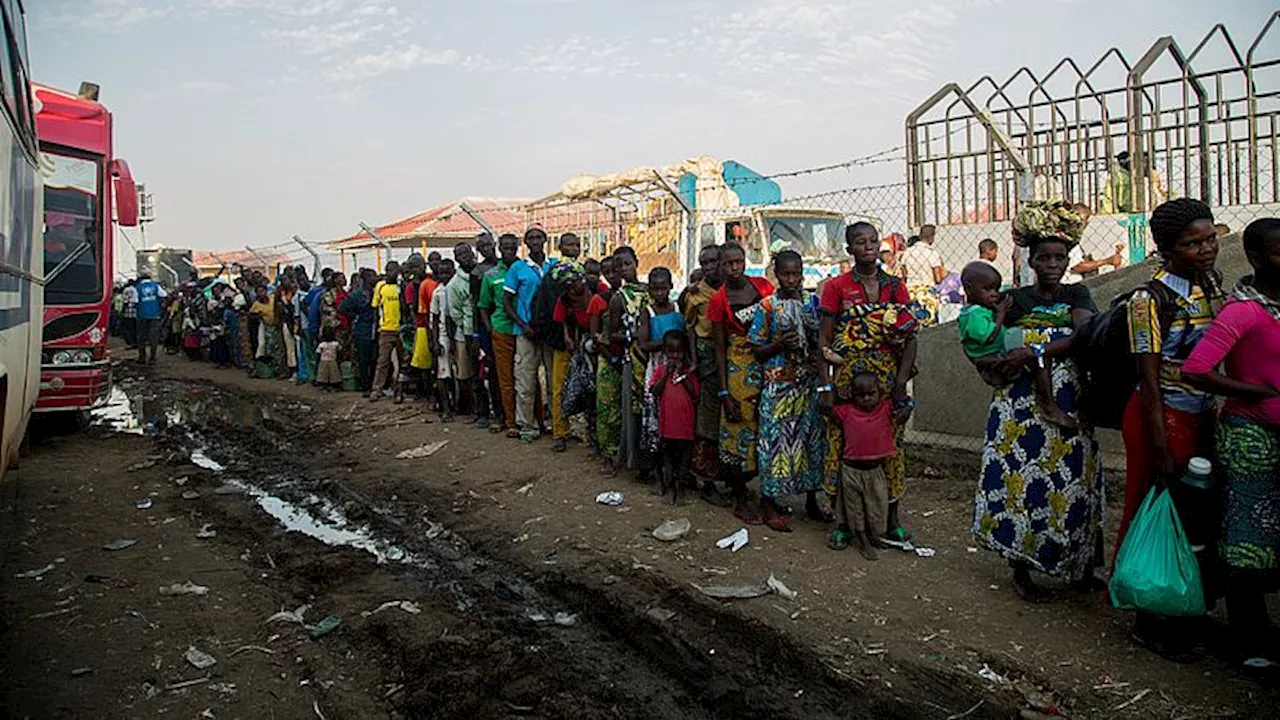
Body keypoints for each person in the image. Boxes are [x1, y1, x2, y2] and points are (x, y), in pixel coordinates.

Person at [974, 199, 1104, 604]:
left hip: (1069, 398)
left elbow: (1085, 333)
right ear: (1031, 260)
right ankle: (1022, 567)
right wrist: (1013, 357)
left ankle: (1078, 566)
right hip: (1020, 404)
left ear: (1068, 260)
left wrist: (1038, 350)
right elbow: (988, 341)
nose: (1052, 263)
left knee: (1074, 481)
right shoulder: (1014, 300)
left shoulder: (1078, 291)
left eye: (1059, 257)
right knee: (1021, 479)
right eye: (1044, 257)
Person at [1116, 197, 1224, 661]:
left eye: (1210, 238)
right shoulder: (1150, 299)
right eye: (1192, 243)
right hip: (1162, 417)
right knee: (1156, 506)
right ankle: (1148, 617)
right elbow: (1149, 375)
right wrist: (1160, 442)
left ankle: (1183, 605)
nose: (1205, 249)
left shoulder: (1212, 285)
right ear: (1165, 247)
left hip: (1200, 413)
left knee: (1195, 515)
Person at [1183, 217, 1280, 668]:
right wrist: (1252, 391)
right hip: (1251, 437)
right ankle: (1251, 641)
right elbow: (1197, 369)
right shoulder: (1243, 310)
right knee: (1248, 541)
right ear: (1257, 258)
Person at [819, 222, 920, 548]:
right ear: (850, 249)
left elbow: (910, 336)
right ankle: (842, 523)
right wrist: (826, 387)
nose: (869, 246)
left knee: (890, 446)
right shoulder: (837, 287)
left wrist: (901, 383)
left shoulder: (894, 286)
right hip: (849, 378)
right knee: (841, 444)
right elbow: (824, 338)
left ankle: (891, 520)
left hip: (886, 379)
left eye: (873, 240)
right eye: (860, 242)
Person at [749, 250, 827, 532]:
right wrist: (779, 344)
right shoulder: (767, 307)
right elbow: (756, 349)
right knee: (773, 443)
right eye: (786, 274)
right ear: (776, 275)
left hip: (808, 383)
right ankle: (769, 502)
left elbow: (823, 340)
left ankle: (811, 500)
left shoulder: (813, 303)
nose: (792, 279)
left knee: (810, 440)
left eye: (796, 273)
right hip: (778, 385)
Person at [959, 262, 1076, 428]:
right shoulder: (973, 314)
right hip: (992, 354)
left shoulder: (979, 308)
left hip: (994, 354)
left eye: (996, 289)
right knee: (1038, 358)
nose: (993, 295)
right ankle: (1048, 406)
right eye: (988, 290)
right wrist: (1000, 314)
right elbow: (990, 338)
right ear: (969, 289)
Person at [709, 243, 775, 523]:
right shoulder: (718, 300)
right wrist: (724, 391)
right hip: (737, 371)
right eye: (728, 264)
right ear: (720, 266)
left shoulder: (762, 288)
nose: (735, 268)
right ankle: (740, 497)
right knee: (736, 433)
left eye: (739, 262)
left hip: (769, 366)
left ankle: (769, 497)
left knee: (768, 430)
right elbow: (719, 348)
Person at [823, 372, 895, 560]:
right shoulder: (846, 411)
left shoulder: (886, 408)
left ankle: (875, 536)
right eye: (860, 395)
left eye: (871, 394)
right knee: (855, 509)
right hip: (851, 471)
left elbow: (904, 401)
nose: (866, 399)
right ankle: (862, 541)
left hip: (875, 471)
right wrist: (828, 386)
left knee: (877, 506)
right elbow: (825, 407)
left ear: (879, 392)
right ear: (851, 395)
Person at [590, 246, 649, 475]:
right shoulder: (618, 299)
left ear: (636, 262)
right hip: (621, 358)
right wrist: (633, 336)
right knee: (610, 409)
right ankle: (610, 456)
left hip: (645, 358)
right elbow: (609, 334)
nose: (624, 269)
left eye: (627, 264)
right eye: (619, 266)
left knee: (641, 409)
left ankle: (640, 459)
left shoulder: (650, 289)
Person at [679, 245, 728, 504]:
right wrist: (694, 361)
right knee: (707, 419)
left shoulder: (732, 289)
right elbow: (689, 328)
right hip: (707, 356)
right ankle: (706, 480)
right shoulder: (696, 295)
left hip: (732, 357)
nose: (709, 267)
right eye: (704, 262)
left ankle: (731, 475)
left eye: (713, 261)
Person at [638, 267, 687, 473]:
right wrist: (668, 344)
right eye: (655, 289)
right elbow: (644, 343)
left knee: (678, 411)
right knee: (656, 413)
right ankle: (658, 466)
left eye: (663, 288)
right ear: (649, 289)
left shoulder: (677, 308)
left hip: (679, 365)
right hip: (658, 365)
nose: (659, 293)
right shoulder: (647, 312)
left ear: (670, 287)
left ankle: (680, 467)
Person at [504, 228, 551, 442]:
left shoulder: (553, 266)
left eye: (538, 238)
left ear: (545, 240)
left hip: (550, 334)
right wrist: (523, 325)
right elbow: (506, 302)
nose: (535, 242)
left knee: (553, 381)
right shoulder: (517, 268)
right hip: (526, 333)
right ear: (525, 243)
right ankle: (527, 425)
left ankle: (553, 424)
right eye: (530, 238)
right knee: (525, 381)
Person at [649, 329, 699, 506]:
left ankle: (681, 490)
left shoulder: (690, 372)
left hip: (686, 428)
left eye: (678, 352)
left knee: (684, 463)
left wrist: (683, 376)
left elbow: (694, 395)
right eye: (671, 352)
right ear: (665, 352)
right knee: (668, 460)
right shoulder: (661, 370)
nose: (675, 356)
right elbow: (655, 391)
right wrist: (666, 374)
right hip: (667, 427)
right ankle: (670, 488)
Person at [479, 235, 519, 436]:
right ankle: (510, 421)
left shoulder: (525, 269)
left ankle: (532, 419)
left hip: (524, 331)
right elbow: (484, 305)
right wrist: (489, 328)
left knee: (526, 378)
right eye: (505, 248)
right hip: (501, 330)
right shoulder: (491, 274)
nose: (508, 251)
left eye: (512, 247)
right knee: (505, 379)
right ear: (499, 249)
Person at [554, 263, 595, 452]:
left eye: (574, 284)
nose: (572, 289)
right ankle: (561, 433)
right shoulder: (564, 299)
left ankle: (593, 435)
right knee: (566, 387)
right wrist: (568, 338)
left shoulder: (596, 289)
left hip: (597, 344)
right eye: (567, 286)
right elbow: (562, 323)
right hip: (578, 345)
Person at [446, 243, 480, 424]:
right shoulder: (455, 284)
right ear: (456, 258)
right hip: (466, 334)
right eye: (460, 254)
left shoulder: (482, 273)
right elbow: (455, 313)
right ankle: (473, 410)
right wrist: (468, 329)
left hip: (486, 329)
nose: (465, 256)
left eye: (467, 252)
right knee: (468, 373)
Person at [471, 233, 501, 430]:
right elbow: (477, 304)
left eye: (487, 244)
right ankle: (493, 412)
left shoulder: (506, 266)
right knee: (489, 371)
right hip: (487, 326)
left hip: (507, 323)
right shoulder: (477, 272)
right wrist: (478, 332)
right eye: (481, 246)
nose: (485, 248)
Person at [340, 269, 378, 394]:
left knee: (374, 358)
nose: (375, 278)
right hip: (363, 328)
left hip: (375, 328)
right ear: (366, 279)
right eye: (373, 276)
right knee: (363, 359)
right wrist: (356, 316)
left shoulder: (377, 291)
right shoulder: (357, 295)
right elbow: (342, 308)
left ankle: (373, 384)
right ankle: (365, 385)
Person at [370, 261, 404, 402]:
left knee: (402, 363)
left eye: (394, 271)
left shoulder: (400, 287)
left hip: (400, 329)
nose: (391, 274)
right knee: (383, 361)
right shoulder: (380, 286)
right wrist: (376, 328)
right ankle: (377, 389)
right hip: (386, 329)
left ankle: (399, 391)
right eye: (389, 271)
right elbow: (375, 308)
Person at [430, 258, 457, 421]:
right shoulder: (438, 292)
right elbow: (434, 318)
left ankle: (459, 404)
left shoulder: (457, 287)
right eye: (442, 273)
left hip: (459, 334)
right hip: (443, 336)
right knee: (443, 374)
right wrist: (435, 341)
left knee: (459, 374)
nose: (445, 276)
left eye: (448, 272)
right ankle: (446, 408)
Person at [899, 229, 944, 324]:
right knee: (930, 324)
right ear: (931, 237)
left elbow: (904, 275)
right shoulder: (932, 253)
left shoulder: (907, 253)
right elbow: (938, 279)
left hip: (910, 291)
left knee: (912, 322)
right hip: (927, 292)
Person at [135, 270, 167, 365]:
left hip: (142, 315)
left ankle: (142, 357)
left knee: (141, 337)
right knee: (154, 337)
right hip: (155, 314)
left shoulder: (137, 287)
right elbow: (164, 295)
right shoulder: (155, 285)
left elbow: (134, 301)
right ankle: (152, 358)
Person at [315, 325, 342, 391]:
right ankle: (333, 386)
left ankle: (324, 385)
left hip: (323, 360)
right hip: (333, 360)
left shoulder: (322, 344)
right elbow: (340, 350)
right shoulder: (335, 344)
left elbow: (318, 352)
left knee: (323, 374)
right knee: (333, 374)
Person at [121, 280, 139, 348]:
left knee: (128, 328)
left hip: (127, 312)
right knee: (135, 328)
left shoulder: (126, 290)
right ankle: (136, 342)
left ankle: (130, 342)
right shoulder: (135, 289)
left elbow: (124, 301)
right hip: (135, 312)